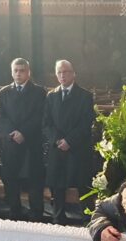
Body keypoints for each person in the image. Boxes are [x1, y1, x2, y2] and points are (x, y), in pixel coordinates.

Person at [43, 60, 95, 225]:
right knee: (57, 184)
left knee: (83, 184)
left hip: (78, 147)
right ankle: (58, 217)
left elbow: (86, 123)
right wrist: (58, 140)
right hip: (57, 147)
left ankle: (88, 219)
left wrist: (69, 140)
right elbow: (46, 123)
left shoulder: (85, 96)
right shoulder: (51, 96)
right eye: (59, 72)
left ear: (73, 74)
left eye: (65, 72)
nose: (62, 75)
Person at [0, 58, 47, 221]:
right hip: (11, 142)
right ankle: (15, 212)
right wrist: (12, 132)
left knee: (34, 180)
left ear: (28, 72)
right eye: (16, 70)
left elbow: (40, 116)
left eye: (22, 70)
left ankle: (36, 214)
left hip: (31, 141)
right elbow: (1, 117)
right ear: (12, 72)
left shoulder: (39, 92)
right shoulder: (3, 93)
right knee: (11, 179)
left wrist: (23, 132)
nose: (18, 73)